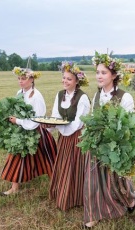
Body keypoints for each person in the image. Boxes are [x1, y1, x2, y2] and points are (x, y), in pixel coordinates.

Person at [82, 52, 135, 228]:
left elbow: (129, 125)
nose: (99, 76)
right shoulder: (97, 96)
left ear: (114, 75)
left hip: (115, 146)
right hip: (97, 145)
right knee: (93, 180)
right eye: (97, 72)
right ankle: (93, 214)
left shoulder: (124, 96)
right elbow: (92, 117)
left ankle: (129, 199)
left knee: (117, 180)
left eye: (103, 72)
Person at [0, 67, 57, 196]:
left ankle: (58, 183)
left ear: (31, 79)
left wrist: (18, 121)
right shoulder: (19, 92)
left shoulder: (36, 96)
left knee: (48, 160)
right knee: (17, 156)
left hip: (37, 132)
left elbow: (37, 119)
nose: (20, 81)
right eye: (19, 78)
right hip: (23, 131)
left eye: (23, 78)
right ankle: (14, 188)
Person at [48, 61, 91, 210]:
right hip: (64, 135)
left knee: (74, 166)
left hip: (77, 137)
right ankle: (62, 192)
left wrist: (63, 129)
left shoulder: (82, 98)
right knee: (62, 164)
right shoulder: (60, 95)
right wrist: (50, 125)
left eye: (69, 79)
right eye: (64, 78)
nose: (65, 81)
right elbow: (55, 115)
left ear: (77, 81)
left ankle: (75, 197)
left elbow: (79, 122)